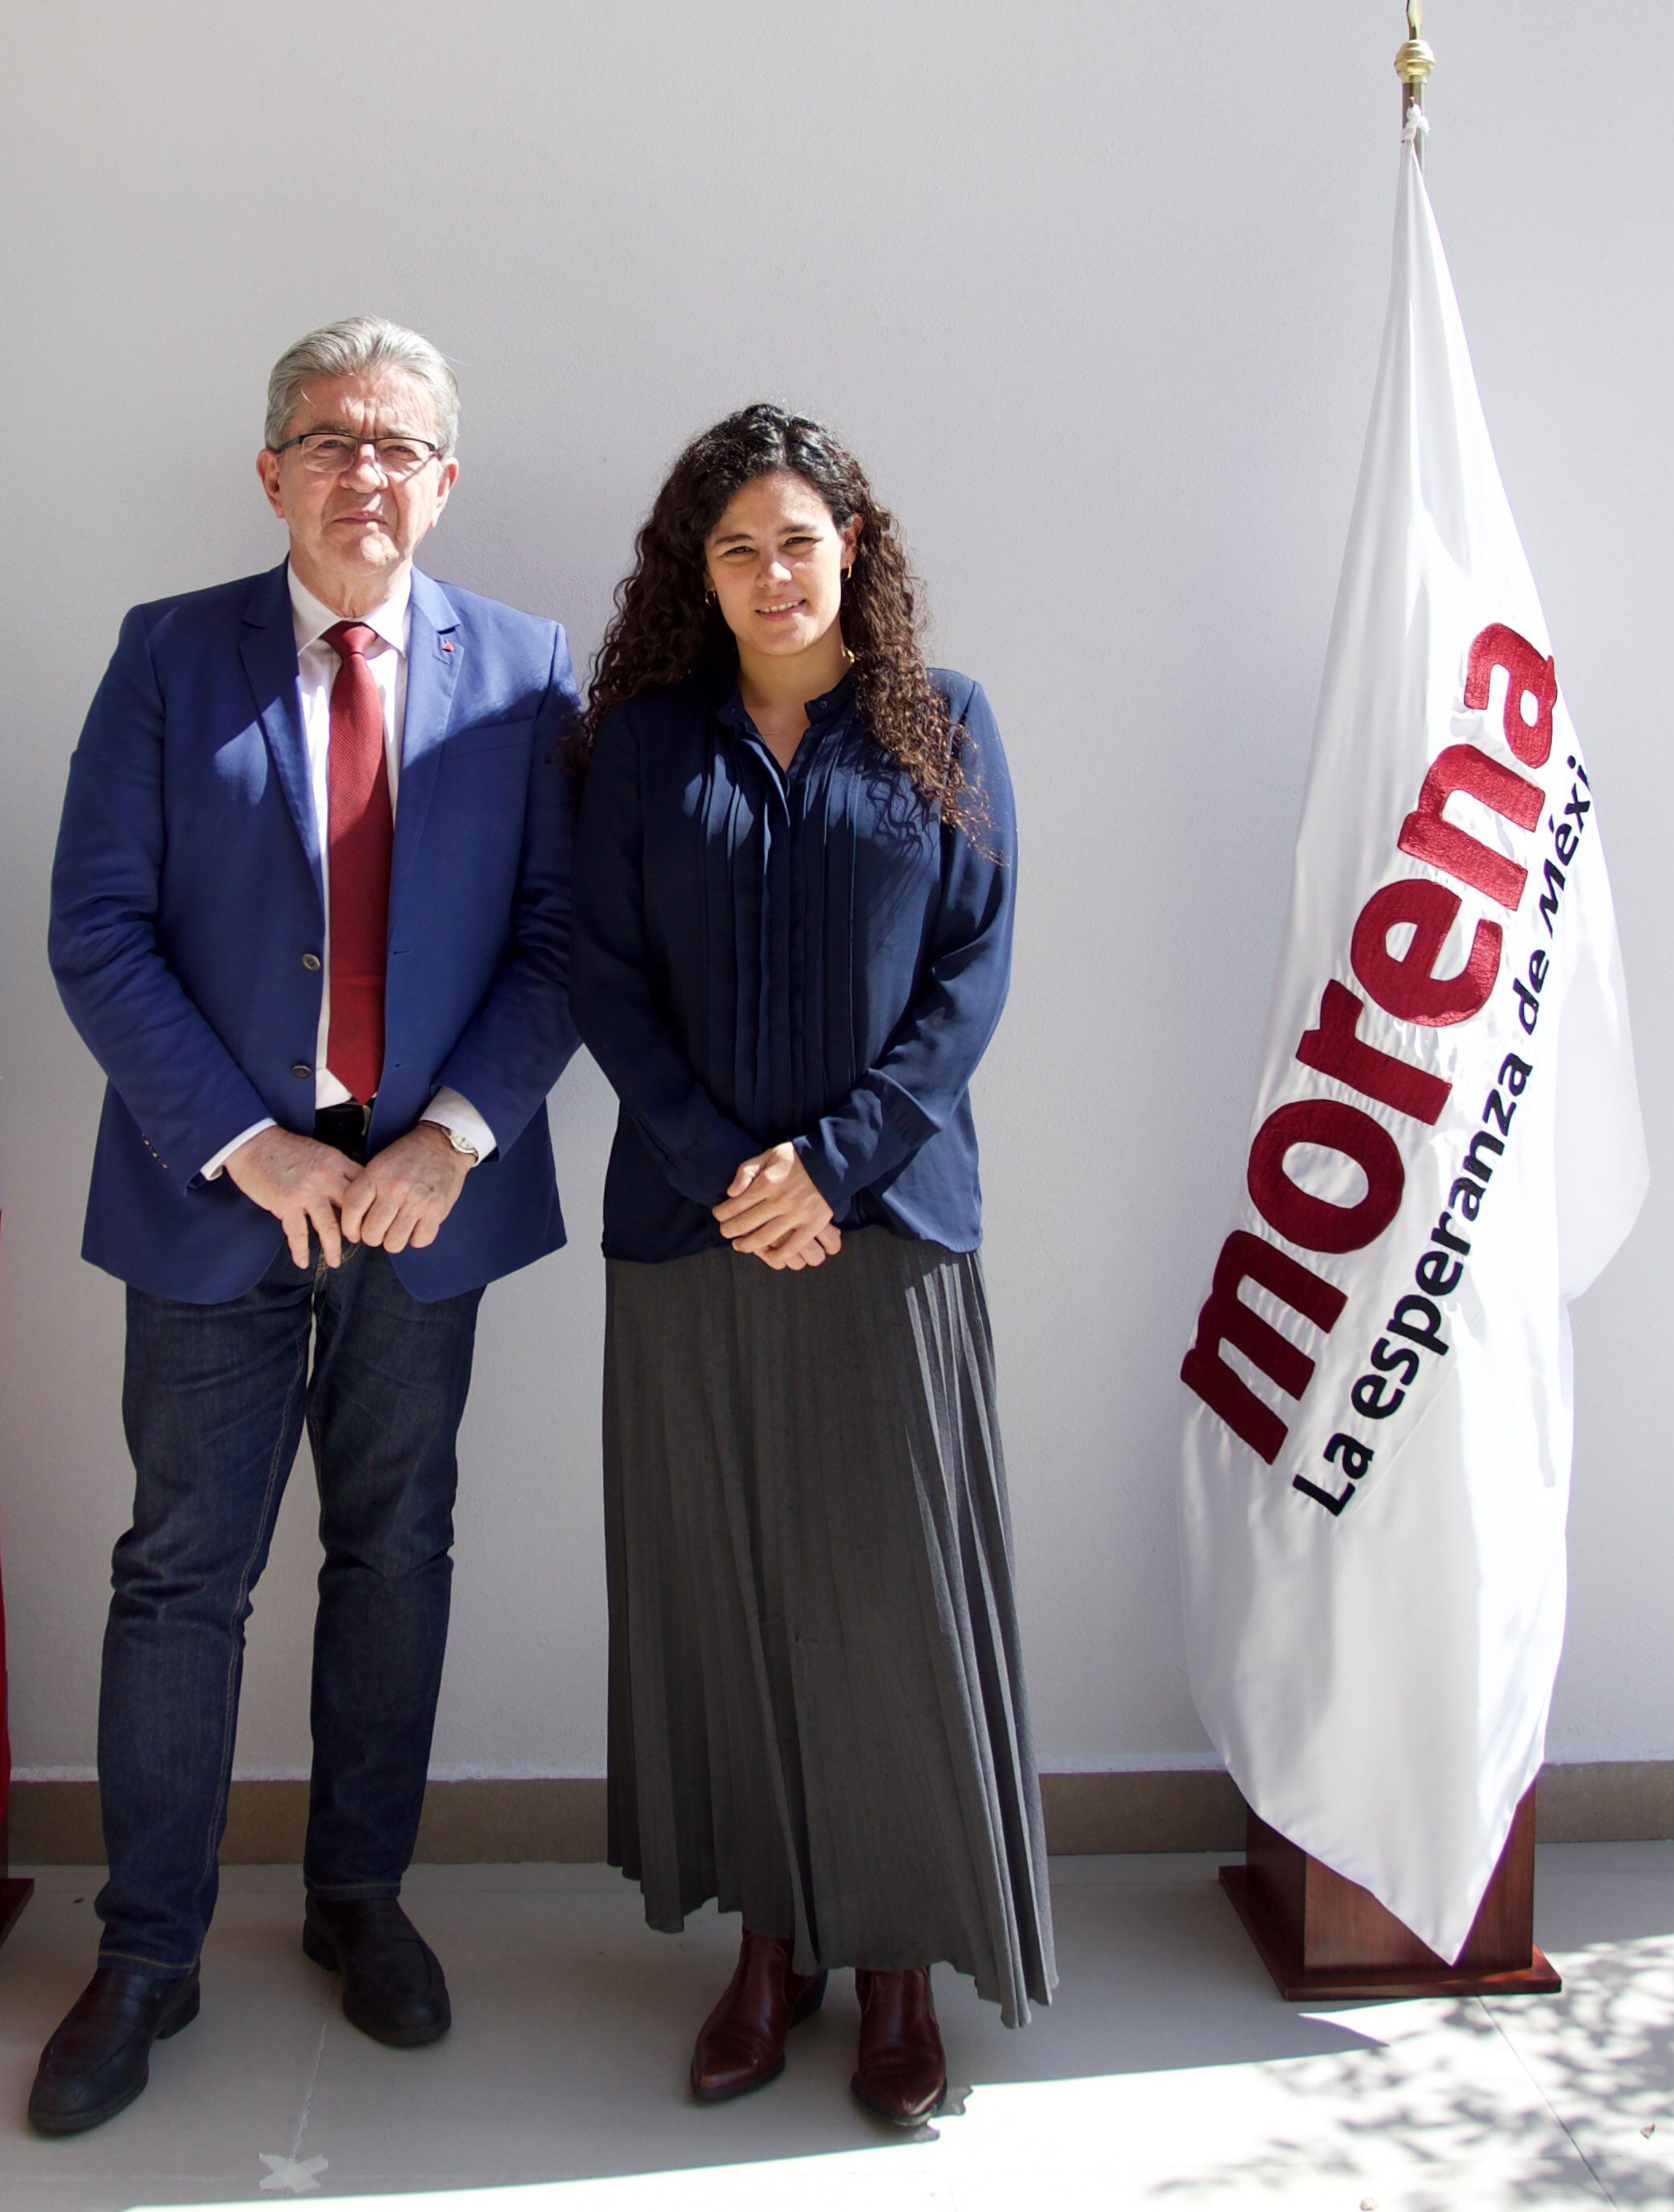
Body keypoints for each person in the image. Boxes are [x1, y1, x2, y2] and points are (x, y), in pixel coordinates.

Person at [37, 316, 581, 2136]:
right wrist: (247, 1147)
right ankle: (145, 1952)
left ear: (446, 480)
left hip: (425, 1201)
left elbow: (561, 941)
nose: (367, 473)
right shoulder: (164, 659)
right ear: (268, 470)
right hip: (225, 1205)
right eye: (331, 440)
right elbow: (96, 928)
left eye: (400, 445)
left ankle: (360, 1902)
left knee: (396, 1545)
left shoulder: (525, 669)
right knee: (180, 1571)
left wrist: (452, 1134)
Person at [568, 403, 1054, 2126]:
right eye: (735, 546)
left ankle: (903, 1964)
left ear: (854, 546)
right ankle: (769, 1948)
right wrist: (726, 1170)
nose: (772, 574)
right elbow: (602, 980)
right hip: (689, 1235)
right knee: (731, 1596)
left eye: (798, 539)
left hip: (888, 1229)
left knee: (886, 1602)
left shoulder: (942, 728)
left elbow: (967, 986)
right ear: (691, 573)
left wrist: (829, 1168)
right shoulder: (635, 745)